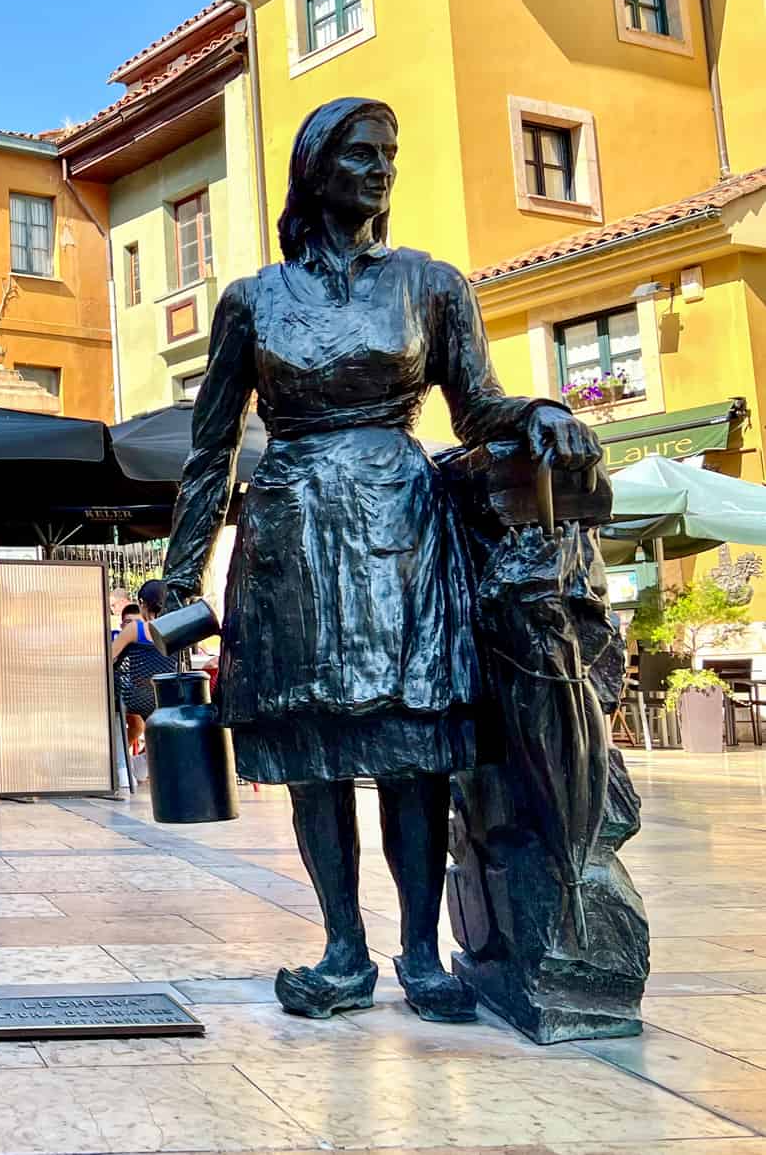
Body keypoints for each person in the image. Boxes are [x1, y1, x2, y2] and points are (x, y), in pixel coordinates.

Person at [163, 98, 600, 1024]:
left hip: (401, 529)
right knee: (317, 754)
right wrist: (178, 573)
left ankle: (421, 954)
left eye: (389, 155)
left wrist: (535, 411)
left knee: (412, 750)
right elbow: (210, 452)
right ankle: (342, 951)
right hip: (291, 542)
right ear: (316, 169)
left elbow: (475, 406)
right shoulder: (253, 300)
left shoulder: (430, 284)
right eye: (361, 155)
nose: (380, 170)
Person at [110, 581, 171, 755]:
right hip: (166, 698)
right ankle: (141, 764)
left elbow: (110, 658)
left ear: (143, 604)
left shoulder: (134, 629)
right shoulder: (175, 630)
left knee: (113, 707)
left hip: (136, 698)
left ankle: (120, 766)